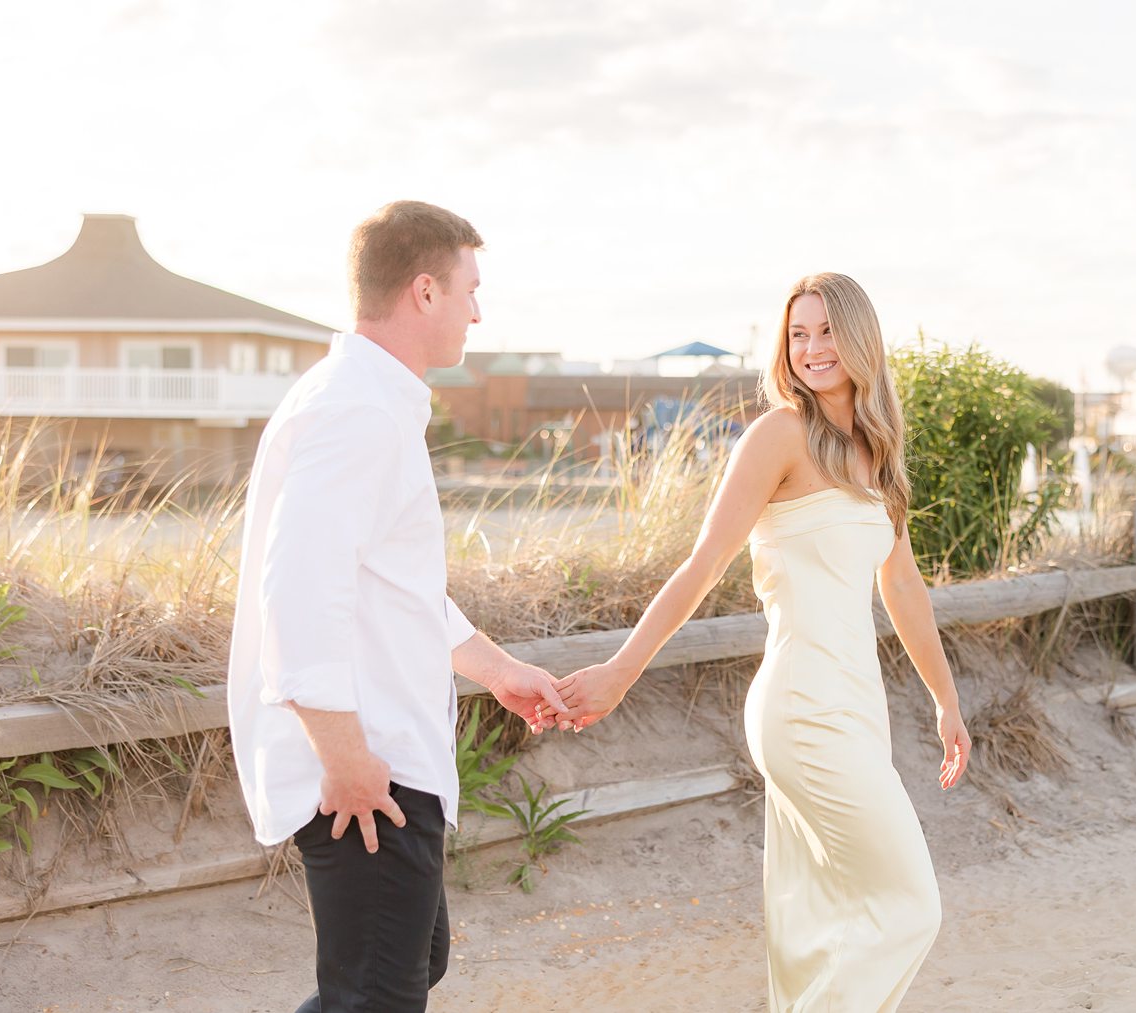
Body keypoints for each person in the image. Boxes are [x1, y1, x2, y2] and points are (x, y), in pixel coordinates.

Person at [549, 272, 970, 1011]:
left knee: (823, 921)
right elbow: (702, 564)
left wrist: (946, 701)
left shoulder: (878, 448)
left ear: (860, 338)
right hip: (803, 706)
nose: (811, 349)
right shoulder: (778, 435)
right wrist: (620, 672)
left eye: (826, 332)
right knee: (911, 906)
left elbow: (902, 588)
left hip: (857, 704)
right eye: (798, 334)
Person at [226, 201, 574, 1013]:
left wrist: (499, 669)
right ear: (424, 291)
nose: (478, 312)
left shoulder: (370, 400)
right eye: (468, 290)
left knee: (412, 964)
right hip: (365, 762)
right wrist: (345, 758)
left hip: (387, 751)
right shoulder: (354, 409)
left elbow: (392, 583)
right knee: (378, 996)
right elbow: (299, 593)